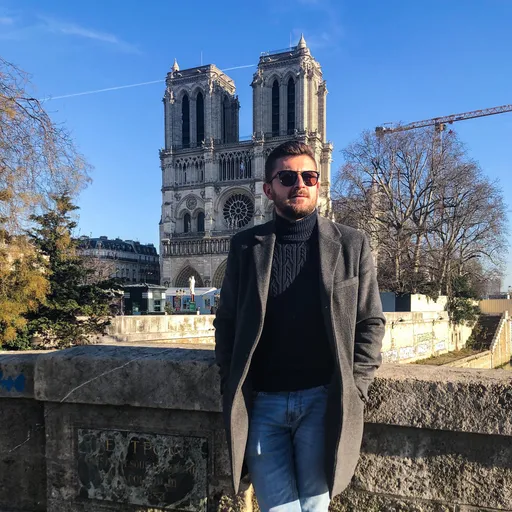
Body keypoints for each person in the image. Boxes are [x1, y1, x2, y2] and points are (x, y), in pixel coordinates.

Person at [214, 141, 385, 512]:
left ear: (319, 183)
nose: (300, 184)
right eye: (288, 177)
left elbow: (371, 321)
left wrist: (356, 387)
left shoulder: (352, 244)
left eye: (309, 176)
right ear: (268, 189)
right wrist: (230, 382)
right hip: (263, 406)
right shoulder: (245, 246)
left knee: (314, 506)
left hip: (322, 402)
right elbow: (226, 321)